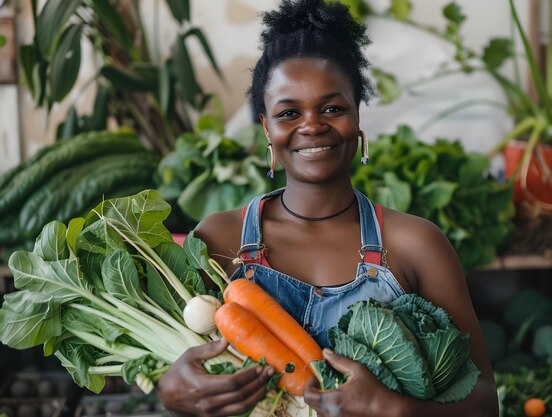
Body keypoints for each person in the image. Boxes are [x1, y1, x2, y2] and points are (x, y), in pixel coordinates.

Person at [157, 0, 498, 416]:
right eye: (288, 113)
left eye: (332, 108)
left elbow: (483, 401)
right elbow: (184, 360)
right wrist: (169, 389)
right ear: (267, 127)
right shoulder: (218, 240)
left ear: (358, 115)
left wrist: (392, 409)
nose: (312, 125)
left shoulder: (416, 244)